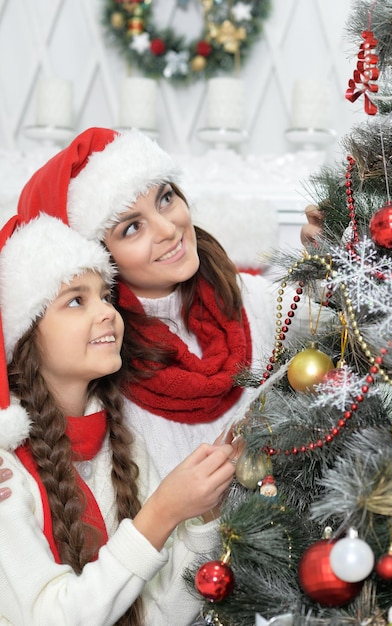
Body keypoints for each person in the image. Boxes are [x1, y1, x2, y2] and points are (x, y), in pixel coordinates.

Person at [17, 127, 331, 478]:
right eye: (132, 228)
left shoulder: (251, 299)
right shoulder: (98, 361)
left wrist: (334, 265)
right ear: (99, 258)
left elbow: (356, 331)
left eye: (165, 198)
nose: (168, 228)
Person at [0, 213, 236, 625]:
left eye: (105, 296)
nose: (108, 312)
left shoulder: (121, 445)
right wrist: (160, 513)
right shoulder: (6, 473)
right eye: (76, 300)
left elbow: (160, 615)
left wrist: (202, 513)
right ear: (24, 334)